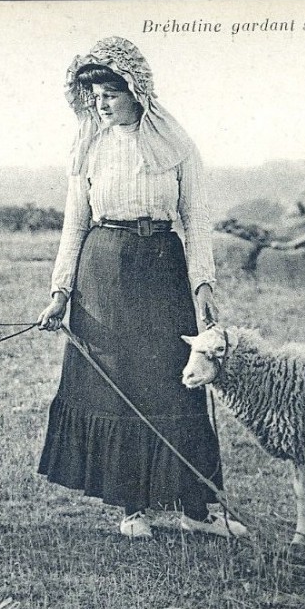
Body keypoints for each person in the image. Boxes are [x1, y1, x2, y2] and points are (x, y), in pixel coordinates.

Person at [36, 36, 247, 539]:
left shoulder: (176, 147)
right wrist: (60, 292)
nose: (100, 104)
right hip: (103, 275)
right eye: (94, 95)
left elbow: (196, 221)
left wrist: (202, 285)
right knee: (120, 388)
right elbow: (74, 226)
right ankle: (133, 507)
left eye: (109, 93)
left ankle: (197, 509)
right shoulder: (89, 147)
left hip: (163, 273)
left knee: (175, 383)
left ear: (135, 91)